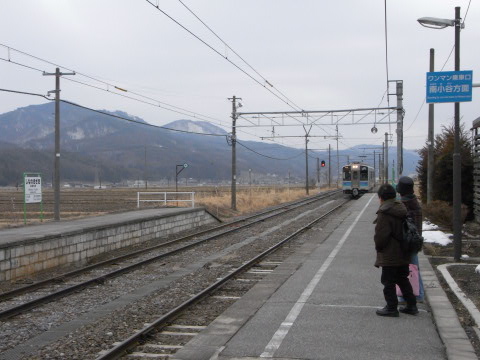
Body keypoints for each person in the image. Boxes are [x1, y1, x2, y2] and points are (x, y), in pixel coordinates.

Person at [374, 184, 418, 317]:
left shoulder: (385, 212)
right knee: (402, 279)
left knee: (388, 281)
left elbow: (381, 236)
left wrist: (379, 247)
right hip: (403, 251)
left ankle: (391, 307)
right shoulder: (401, 207)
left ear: (381, 198)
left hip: (390, 253)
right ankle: (412, 305)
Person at [397, 176, 424, 303]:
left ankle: (411, 296)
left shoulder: (403, 205)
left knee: (407, 269)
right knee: (414, 268)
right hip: (415, 240)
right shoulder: (415, 203)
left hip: (407, 241)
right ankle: (418, 294)